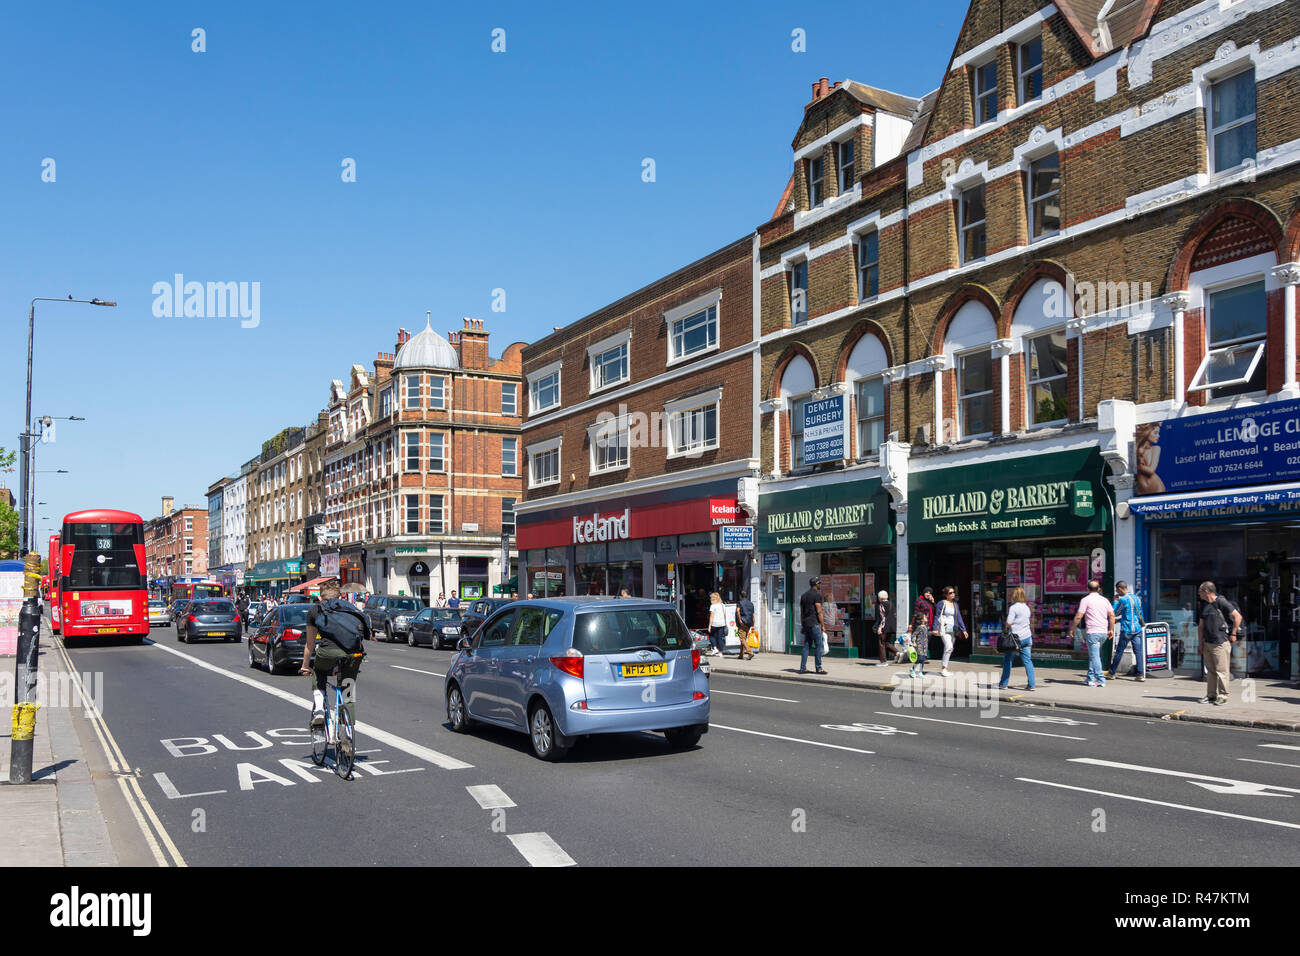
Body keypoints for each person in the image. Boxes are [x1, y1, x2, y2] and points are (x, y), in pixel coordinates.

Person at [300, 579, 369, 728]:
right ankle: (348, 733)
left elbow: (310, 644)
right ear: (339, 596)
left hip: (328, 651)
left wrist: (305, 666)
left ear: (320, 596)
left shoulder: (315, 610)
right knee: (348, 685)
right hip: (354, 652)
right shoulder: (350, 607)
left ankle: (319, 710)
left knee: (319, 673)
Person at [1197, 581, 1241, 705]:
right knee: (1210, 671)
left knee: (1222, 670)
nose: (1198, 594)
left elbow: (1237, 617)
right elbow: (1200, 626)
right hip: (1208, 642)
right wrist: (1200, 643)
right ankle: (1211, 695)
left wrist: (1233, 634)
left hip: (1220, 642)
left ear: (1206, 591)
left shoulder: (1221, 602)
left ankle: (1223, 695)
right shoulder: (1204, 605)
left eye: (1200, 591)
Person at [1071, 579, 1115, 687]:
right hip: (1103, 632)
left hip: (1092, 632)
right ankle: (1090, 677)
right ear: (1099, 589)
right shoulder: (1105, 600)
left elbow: (1078, 616)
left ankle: (1100, 679)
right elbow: (1112, 616)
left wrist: (1072, 629)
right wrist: (1111, 629)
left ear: (1088, 589)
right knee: (1093, 655)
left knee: (1095, 657)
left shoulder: (1086, 600)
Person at [1107, 581, 1146, 682]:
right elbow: (1136, 614)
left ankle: (1111, 673)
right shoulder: (1137, 598)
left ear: (1120, 589)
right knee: (1138, 652)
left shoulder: (1123, 600)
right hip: (1137, 629)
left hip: (1127, 629)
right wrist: (1120, 620)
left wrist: (1115, 601)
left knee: (1119, 651)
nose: (1116, 592)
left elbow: (1114, 612)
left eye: (1117, 590)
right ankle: (1141, 674)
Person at [1000, 586, 1036, 691]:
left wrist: (1005, 630)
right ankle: (1031, 685)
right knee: (1028, 661)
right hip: (1027, 637)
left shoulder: (1013, 607)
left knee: (1008, 660)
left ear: (1014, 596)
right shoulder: (1027, 607)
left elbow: (1009, 623)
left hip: (1015, 639)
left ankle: (1003, 684)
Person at [935, 586, 967, 678]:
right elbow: (937, 616)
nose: (953, 594)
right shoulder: (942, 603)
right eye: (950, 593)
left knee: (949, 648)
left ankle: (945, 668)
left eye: (953, 592)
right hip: (944, 629)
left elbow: (959, 617)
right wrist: (935, 628)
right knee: (949, 647)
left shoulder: (955, 604)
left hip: (953, 629)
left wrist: (963, 629)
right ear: (946, 595)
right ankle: (944, 669)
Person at [798, 577, 828, 675]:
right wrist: (822, 625)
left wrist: (803, 625)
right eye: (819, 583)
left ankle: (803, 668)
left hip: (806, 623)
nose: (820, 585)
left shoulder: (804, 596)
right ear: (816, 584)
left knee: (806, 646)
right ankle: (818, 668)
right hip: (814, 623)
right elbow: (819, 611)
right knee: (818, 645)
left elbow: (802, 613)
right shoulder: (817, 595)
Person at [907, 611, 930, 678]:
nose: (926, 617)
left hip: (925, 645)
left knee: (923, 659)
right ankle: (913, 669)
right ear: (922, 620)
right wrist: (914, 642)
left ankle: (920, 672)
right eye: (925, 617)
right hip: (919, 644)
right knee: (920, 658)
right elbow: (913, 635)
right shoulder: (920, 627)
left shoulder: (925, 626)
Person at [873, 590, 894, 666]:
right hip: (891, 627)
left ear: (880, 597)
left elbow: (883, 617)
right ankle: (897, 653)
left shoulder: (881, 605)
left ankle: (883, 661)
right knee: (887, 643)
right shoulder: (891, 604)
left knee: (881, 643)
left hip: (884, 627)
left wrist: (880, 628)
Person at [736, 591, 755, 661]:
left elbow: (738, 611)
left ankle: (750, 652)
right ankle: (741, 655)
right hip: (749, 623)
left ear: (740, 596)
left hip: (743, 622)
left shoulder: (739, 602)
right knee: (743, 638)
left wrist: (740, 620)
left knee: (742, 638)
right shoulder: (751, 603)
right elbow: (752, 615)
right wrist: (753, 623)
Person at [707, 592, 728, 657]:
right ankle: (720, 652)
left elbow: (711, 616)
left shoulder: (713, 606)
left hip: (714, 623)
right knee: (720, 638)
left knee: (711, 636)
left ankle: (715, 648)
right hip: (721, 623)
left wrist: (709, 626)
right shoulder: (722, 605)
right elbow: (725, 615)